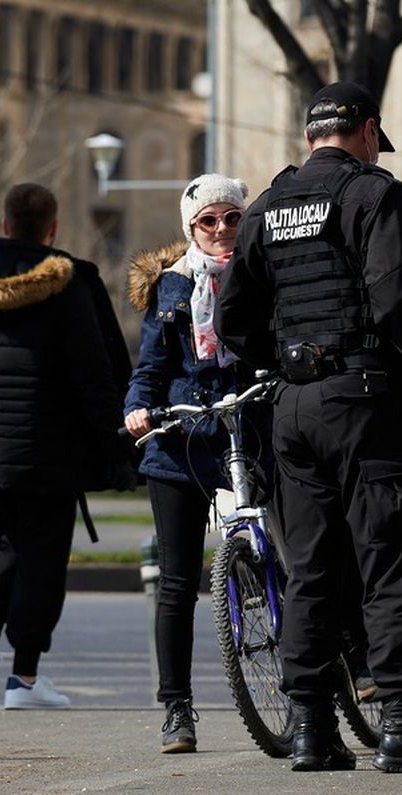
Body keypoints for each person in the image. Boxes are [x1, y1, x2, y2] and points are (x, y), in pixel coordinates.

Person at [214, 81, 402, 774]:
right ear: (367, 130)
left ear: (310, 137)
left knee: (310, 570)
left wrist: (288, 358)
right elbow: (396, 299)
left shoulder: (268, 205)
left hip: (292, 408)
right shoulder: (373, 194)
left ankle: (311, 728)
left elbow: (232, 320)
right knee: (388, 560)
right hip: (364, 401)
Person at [0, 183, 130, 710]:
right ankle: (24, 678)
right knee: (44, 559)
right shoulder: (68, 282)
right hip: (52, 452)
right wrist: (117, 443)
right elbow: (94, 373)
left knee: (11, 544)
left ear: (4, 223)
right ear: (52, 228)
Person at [123, 174, 267, 753]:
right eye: (209, 220)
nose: (221, 229)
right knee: (177, 582)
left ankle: (323, 679)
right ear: (191, 227)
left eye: (232, 217)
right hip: (183, 436)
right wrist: (138, 409)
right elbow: (151, 368)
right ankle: (176, 709)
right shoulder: (172, 286)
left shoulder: (262, 274)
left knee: (296, 551)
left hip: (248, 429)